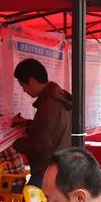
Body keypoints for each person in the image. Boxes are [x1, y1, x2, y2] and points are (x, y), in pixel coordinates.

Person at [12, 58, 72, 187]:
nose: (24, 90)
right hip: (57, 166)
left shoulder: (49, 105)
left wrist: (13, 141)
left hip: (46, 170)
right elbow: (49, 129)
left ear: (32, 81)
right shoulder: (56, 98)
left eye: (23, 85)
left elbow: (39, 146)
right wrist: (27, 123)